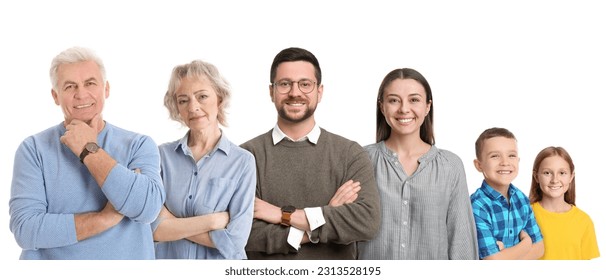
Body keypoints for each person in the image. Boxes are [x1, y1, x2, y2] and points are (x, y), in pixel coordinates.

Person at [8, 47, 166, 259]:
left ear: (106, 89)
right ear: (55, 96)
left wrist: (89, 149)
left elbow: (147, 209)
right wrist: (104, 219)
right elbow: (26, 230)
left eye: (90, 83)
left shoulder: (139, 144)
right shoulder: (33, 149)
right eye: (70, 86)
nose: (81, 94)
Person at [240, 47, 381, 259]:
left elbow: (366, 221)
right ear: (272, 92)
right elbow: (242, 233)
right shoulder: (246, 156)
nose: (295, 92)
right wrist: (324, 216)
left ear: (319, 91)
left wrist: (282, 215)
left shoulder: (350, 153)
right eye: (285, 84)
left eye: (305, 84)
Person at [357, 68, 478, 260]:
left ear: (428, 106)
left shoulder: (451, 166)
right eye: (394, 100)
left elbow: (461, 240)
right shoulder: (361, 159)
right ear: (382, 107)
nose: (404, 109)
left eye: (414, 100)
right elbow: (346, 233)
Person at [151, 60, 256, 259]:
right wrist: (213, 221)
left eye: (202, 97)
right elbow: (154, 229)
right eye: (183, 100)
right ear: (176, 108)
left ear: (220, 98)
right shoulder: (161, 157)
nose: (193, 107)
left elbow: (235, 242)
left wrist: (172, 224)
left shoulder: (242, 162)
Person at [470, 127, 544, 260]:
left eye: (511, 155)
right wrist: (526, 245)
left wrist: (506, 256)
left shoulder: (521, 199)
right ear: (479, 165)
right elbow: (492, 261)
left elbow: (539, 249)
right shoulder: (477, 206)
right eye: (495, 156)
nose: (505, 162)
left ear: (518, 160)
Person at [529, 146, 600, 260]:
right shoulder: (524, 216)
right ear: (536, 176)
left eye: (562, 173)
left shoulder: (584, 221)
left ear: (571, 176)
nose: (555, 180)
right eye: (547, 173)